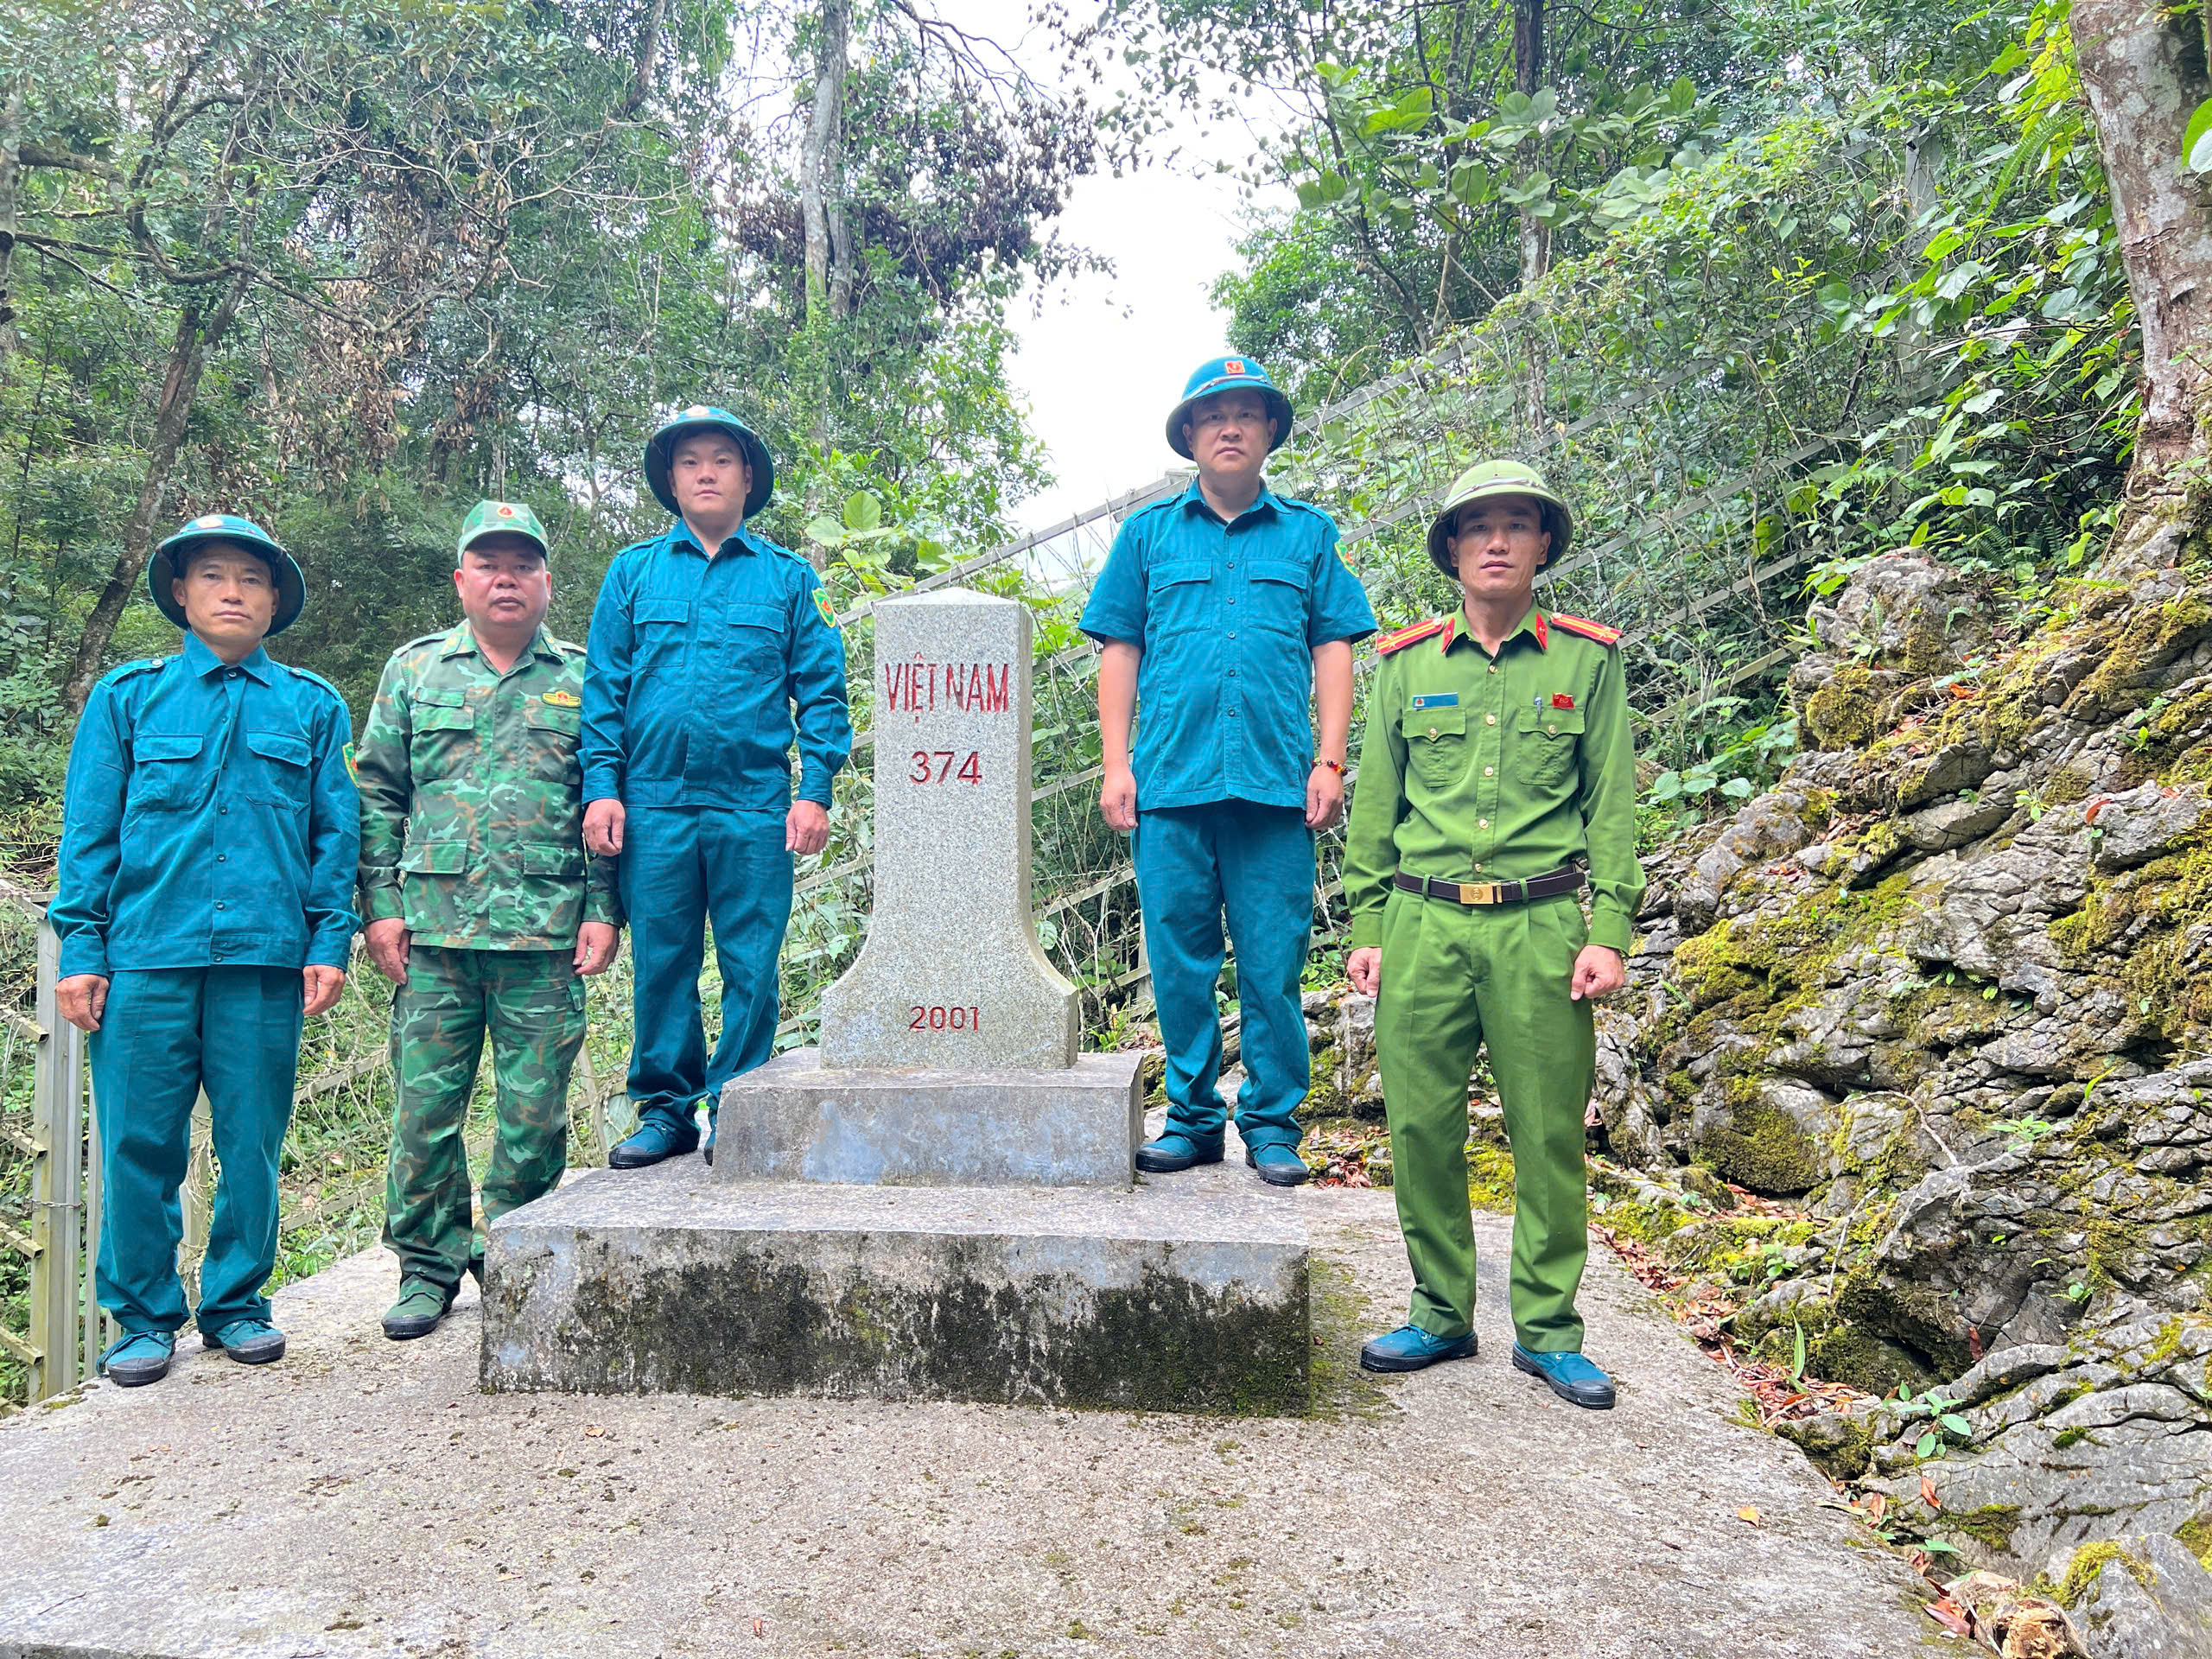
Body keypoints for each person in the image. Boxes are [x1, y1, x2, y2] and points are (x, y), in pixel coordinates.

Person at [1341, 461, 1645, 1408]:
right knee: (1419, 1126)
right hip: (1422, 923)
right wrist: (1366, 922)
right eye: (1478, 527)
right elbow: (1376, 806)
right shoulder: (1405, 664)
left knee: (1547, 1132)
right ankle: (1440, 1312)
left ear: (1544, 544)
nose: (1498, 542)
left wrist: (1609, 930)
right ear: (1452, 549)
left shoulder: (1586, 662)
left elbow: (1611, 804)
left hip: (1540, 925)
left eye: (1517, 524)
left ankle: (1548, 1331)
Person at [51, 513, 359, 1387]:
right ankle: (143, 1318)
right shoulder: (128, 697)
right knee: (137, 1145)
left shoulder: (311, 705)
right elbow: (89, 833)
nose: (233, 592)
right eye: (214, 575)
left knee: (252, 1141)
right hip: (145, 957)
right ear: (182, 592)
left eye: (252, 579)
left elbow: (334, 835)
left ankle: (236, 1304)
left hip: (263, 961)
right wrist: (82, 948)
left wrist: (328, 939)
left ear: (275, 600)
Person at [1081, 357, 1376, 1188]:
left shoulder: (1308, 535)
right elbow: (1120, 650)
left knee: (1273, 965)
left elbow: (1334, 647)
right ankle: (1193, 1120)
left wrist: (1329, 760)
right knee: (1180, 963)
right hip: (1171, 786)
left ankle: (1273, 1124)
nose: (1231, 428)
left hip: (1276, 789)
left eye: (1247, 414)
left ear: (1270, 430)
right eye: (1214, 416)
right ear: (1190, 435)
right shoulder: (1147, 536)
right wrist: (1116, 765)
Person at [354, 500, 623, 1340]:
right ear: (461, 579)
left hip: (545, 934)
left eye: (522, 565)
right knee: (424, 1114)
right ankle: (428, 1265)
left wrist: (604, 909)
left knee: (534, 1116)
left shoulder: (585, 678)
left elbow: (609, 799)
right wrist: (380, 908)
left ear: (547, 581)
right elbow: (378, 793)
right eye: (489, 564)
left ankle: (516, 1255)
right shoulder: (415, 670)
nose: (506, 579)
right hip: (433, 935)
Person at [581, 407, 850, 1168]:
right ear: (671, 480)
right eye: (690, 460)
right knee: (662, 962)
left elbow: (823, 693)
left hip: (752, 804)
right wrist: (603, 787)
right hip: (654, 803)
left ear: (747, 477)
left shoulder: (790, 579)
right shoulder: (633, 573)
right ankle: (667, 1112)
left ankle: (736, 1105)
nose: (706, 472)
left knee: (751, 965)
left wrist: (814, 790)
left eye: (722, 459)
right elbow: (604, 689)